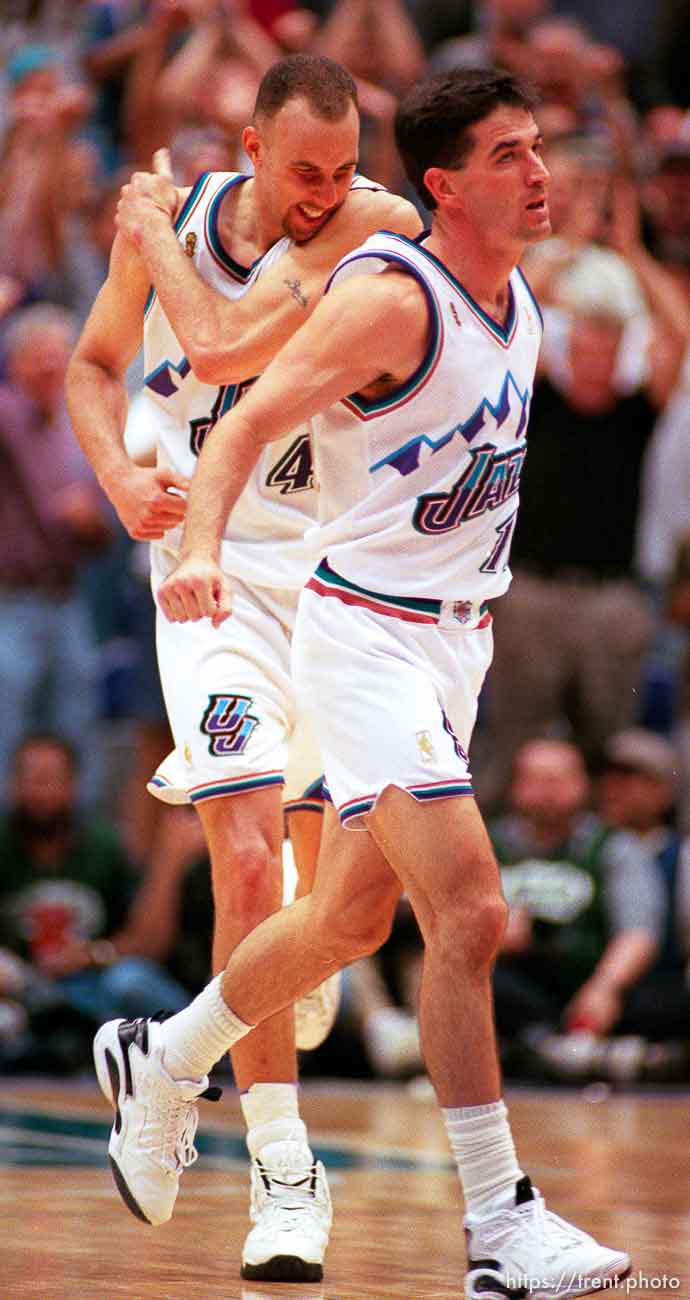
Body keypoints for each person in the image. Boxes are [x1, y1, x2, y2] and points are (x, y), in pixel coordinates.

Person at [92, 68, 632, 1296]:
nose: (541, 173)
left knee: (349, 922)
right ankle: (500, 1224)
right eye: (510, 155)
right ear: (444, 185)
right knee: (474, 912)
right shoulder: (390, 291)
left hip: (457, 641)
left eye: (540, 148)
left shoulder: (523, 305)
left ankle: (165, 1056)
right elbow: (236, 411)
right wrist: (200, 549)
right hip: (365, 633)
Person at [66, 52, 421, 1283]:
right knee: (249, 862)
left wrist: (151, 227)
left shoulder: (373, 224)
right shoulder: (189, 219)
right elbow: (91, 367)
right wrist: (117, 473)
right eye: (306, 169)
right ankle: (283, 1171)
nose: (330, 190)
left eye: (344, 167)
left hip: (343, 587)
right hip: (208, 579)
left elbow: (213, 347)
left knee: (337, 918)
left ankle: (197, 1030)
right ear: (253, 150)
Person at [490, 736, 664, 1081]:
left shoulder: (613, 846)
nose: (547, 792)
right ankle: (566, 1053)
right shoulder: (487, 844)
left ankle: (548, 1052)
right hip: (515, 983)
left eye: (557, 780)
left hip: (592, 979)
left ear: (582, 784)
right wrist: (492, 935)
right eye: (537, 780)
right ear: (516, 786)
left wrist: (605, 987)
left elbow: (639, 933)